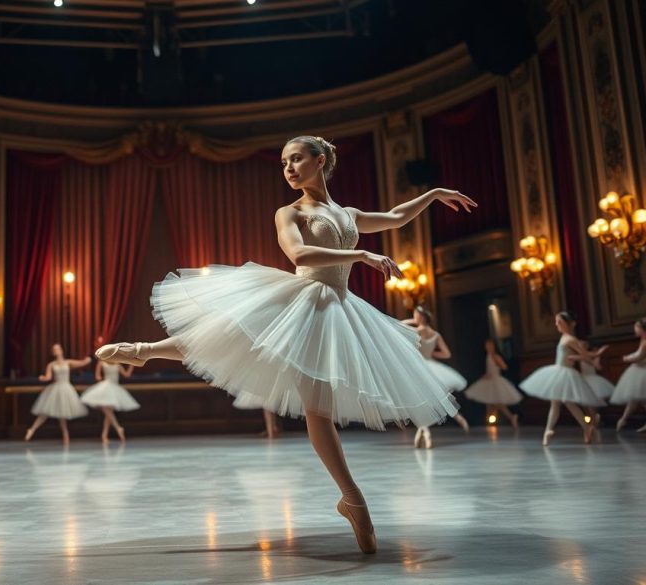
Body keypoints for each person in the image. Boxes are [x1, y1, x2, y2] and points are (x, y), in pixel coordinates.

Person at [95, 135, 474, 554]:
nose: (289, 168)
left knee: (318, 410)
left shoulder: (345, 214)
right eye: (283, 163)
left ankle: (352, 502)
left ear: (322, 160)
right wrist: (361, 257)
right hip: (303, 297)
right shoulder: (289, 212)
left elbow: (396, 216)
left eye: (296, 159)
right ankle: (145, 351)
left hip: (340, 309)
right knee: (230, 335)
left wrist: (434, 194)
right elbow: (300, 256)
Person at [519, 311, 605, 446]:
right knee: (560, 403)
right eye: (556, 322)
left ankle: (580, 429)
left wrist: (595, 356)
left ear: (568, 323)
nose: (556, 324)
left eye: (559, 322)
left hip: (566, 374)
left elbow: (584, 354)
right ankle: (556, 431)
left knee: (564, 403)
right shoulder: (564, 337)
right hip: (558, 371)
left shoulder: (571, 339)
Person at [403, 307, 471, 449]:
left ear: (421, 317)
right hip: (432, 367)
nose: (414, 317)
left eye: (416, 315)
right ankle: (455, 418)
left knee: (419, 400)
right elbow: (447, 354)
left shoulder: (417, 331)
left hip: (419, 368)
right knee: (437, 397)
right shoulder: (435, 334)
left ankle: (425, 432)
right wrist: (433, 354)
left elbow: (399, 325)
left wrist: (412, 321)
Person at [25, 343, 91, 444]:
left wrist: (88, 359)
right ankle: (32, 429)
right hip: (55, 389)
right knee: (45, 413)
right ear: (53, 352)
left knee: (63, 414)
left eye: (58, 349)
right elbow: (48, 377)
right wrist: (43, 378)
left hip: (66, 388)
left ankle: (65, 435)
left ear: (61, 350)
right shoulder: (51, 364)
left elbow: (82, 363)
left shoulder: (68, 362)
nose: (57, 351)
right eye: (54, 349)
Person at [81, 353, 139, 443]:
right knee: (107, 409)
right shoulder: (101, 362)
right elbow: (97, 376)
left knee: (108, 412)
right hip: (106, 386)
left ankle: (105, 435)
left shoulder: (118, 365)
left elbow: (127, 375)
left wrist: (132, 364)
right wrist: (99, 377)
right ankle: (116, 429)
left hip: (114, 388)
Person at [463, 339, 522, 428]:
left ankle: (511, 417)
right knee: (489, 402)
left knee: (497, 403)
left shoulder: (495, 356)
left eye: (490, 345)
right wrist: (487, 375)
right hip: (489, 381)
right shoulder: (488, 356)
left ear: (494, 346)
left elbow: (504, 367)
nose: (488, 347)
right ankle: (492, 421)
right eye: (487, 345)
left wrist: (496, 370)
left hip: (495, 380)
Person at [611, 318, 646, 432]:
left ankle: (622, 420)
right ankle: (623, 419)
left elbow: (639, 356)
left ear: (642, 329)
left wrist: (627, 358)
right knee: (637, 399)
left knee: (638, 399)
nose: (635, 329)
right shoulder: (643, 340)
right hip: (638, 371)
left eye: (636, 327)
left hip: (642, 372)